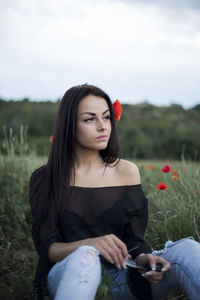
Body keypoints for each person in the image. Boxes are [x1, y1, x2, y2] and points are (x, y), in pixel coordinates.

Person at [29, 84, 200, 300]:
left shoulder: (127, 171)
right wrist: (90, 244)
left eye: (106, 117)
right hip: (69, 277)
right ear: (69, 125)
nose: (103, 126)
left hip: (123, 278)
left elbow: (133, 238)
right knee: (86, 256)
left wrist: (143, 259)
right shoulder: (45, 178)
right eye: (90, 119)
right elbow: (47, 248)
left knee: (187, 250)